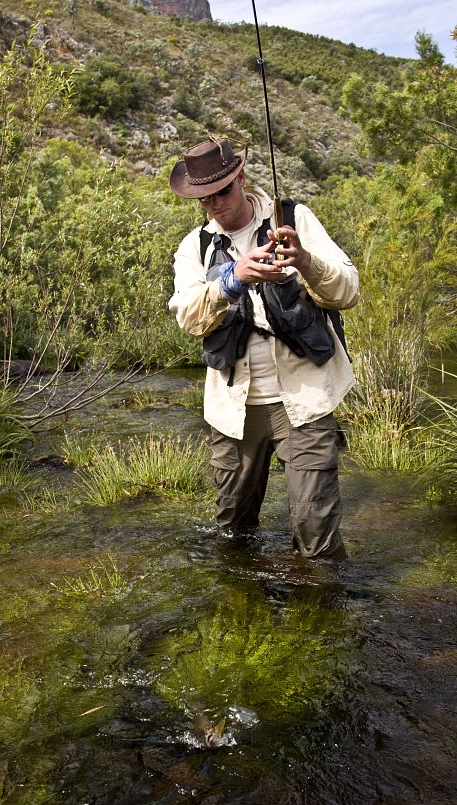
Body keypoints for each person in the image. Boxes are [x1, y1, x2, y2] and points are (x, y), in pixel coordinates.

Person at [168, 137, 359, 560]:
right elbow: (189, 318)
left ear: (241, 177)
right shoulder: (194, 247)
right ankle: (242, 611)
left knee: (317, 535)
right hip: (233, 408)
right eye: (205, 198)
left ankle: (320, 613)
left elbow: (347, 291)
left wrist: (306, 261)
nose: (216, 204)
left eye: (223, 191)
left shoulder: (294, 218)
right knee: (233, 529)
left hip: (304, 398)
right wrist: (232, 278)